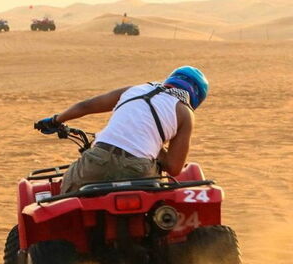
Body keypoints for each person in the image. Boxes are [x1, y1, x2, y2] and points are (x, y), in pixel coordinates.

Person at [34, 66, 209, 194]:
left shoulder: (135, 89)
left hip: (98, 161)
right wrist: (155, 144)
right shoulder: (185, 113)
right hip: (140, 171)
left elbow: (86, 105)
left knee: (68, 192)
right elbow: (174, 168)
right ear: (196, 97)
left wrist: (55, 120)